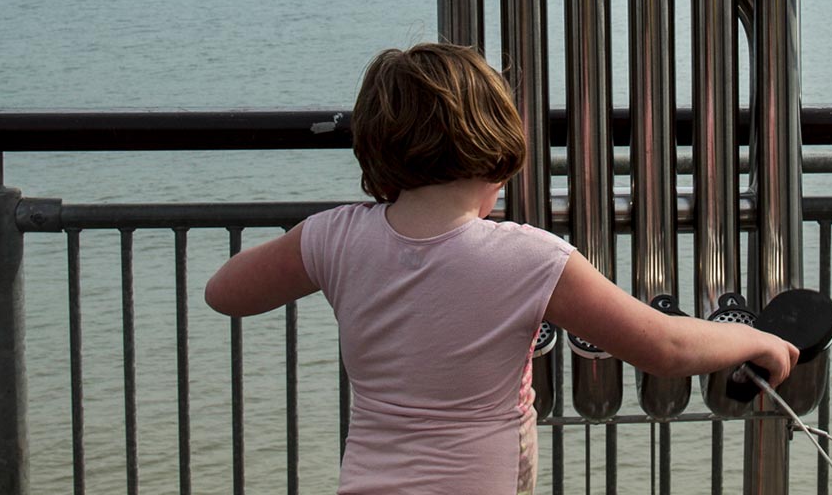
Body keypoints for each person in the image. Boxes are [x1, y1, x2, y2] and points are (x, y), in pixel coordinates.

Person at [205, 42, 798, 495]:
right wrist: (751, 336)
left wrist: (325, 242)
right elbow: (662, 346)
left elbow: (223, 293)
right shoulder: (528, 258)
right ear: (498, 148)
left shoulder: (336, 237)